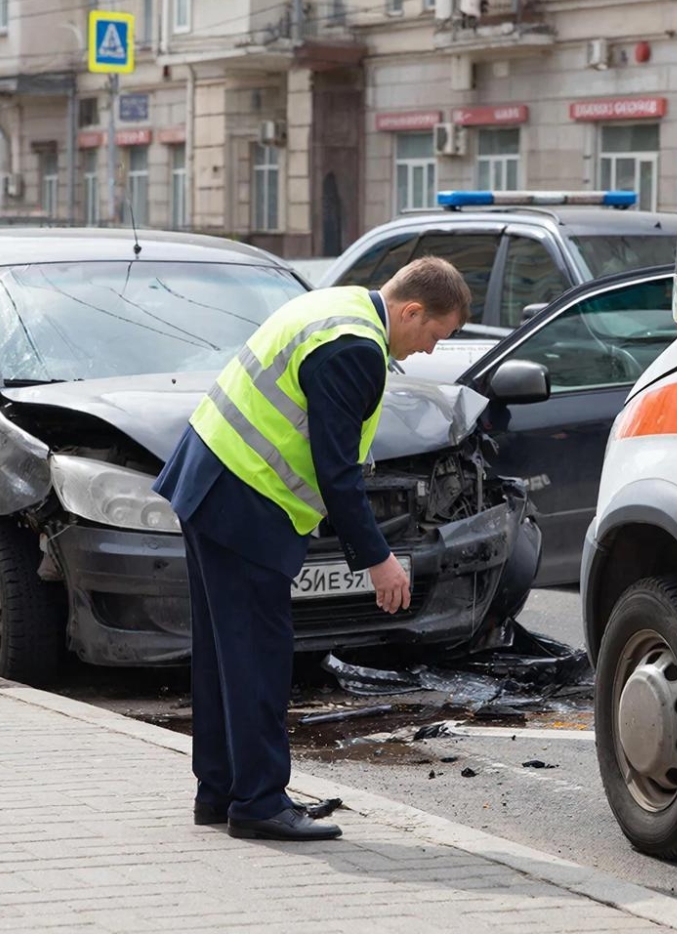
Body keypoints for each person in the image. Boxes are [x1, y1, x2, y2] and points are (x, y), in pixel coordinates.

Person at [153, 257, 472, 841]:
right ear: (412, 310)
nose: (428, 350)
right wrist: (378, 559)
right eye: (434, 335)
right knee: (258, 659)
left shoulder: (337, 306)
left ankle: (221, 789)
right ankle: (260, 804)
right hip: (245, 500)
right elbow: (337, 470)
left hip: (211, 483)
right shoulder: (356, 349)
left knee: (226, 655)